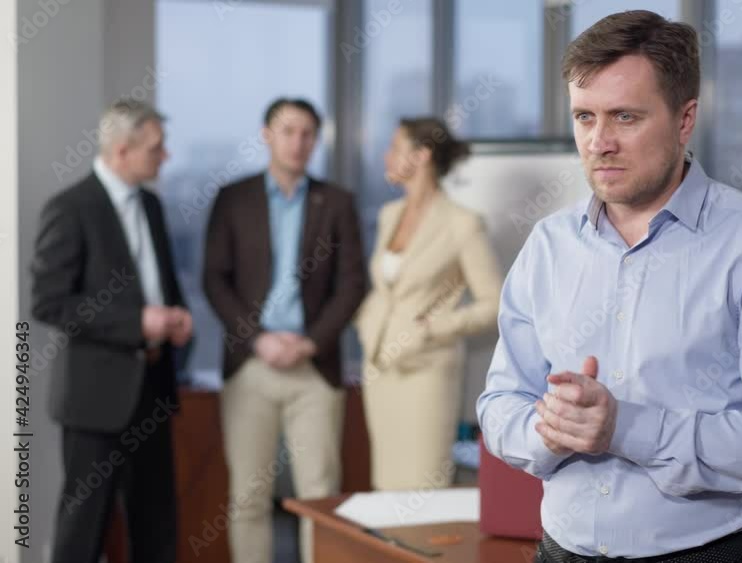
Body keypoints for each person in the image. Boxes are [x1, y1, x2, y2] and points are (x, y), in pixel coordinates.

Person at [477, 11, 742, 563]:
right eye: (584, 117)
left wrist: (624, 428)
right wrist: (550, 431)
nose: (599, 142)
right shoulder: (548, 244)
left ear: (685, 120)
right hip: (558, 553)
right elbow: (498, 403)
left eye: (625, 117)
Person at [202, 98, 365, 563]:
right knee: (248, 498)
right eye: (287, 131)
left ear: (316, 140)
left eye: (307, 133)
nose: (297, 143)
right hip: (251, 366)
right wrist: (258, 338)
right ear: (266, 134)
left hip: (314, 368)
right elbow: (215, 278)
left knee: (319, 494)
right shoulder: (233, 199)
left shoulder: (336, 202)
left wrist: (311, 341)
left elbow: (352, 283)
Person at [31, 98, 193, 563]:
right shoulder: (70, 208)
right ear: (122, 151)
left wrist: (176, 318)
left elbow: (161, 284)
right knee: (84, 528)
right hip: (95, 398)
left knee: (156, 523)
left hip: (153, 388)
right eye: (156, 148)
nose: (166, 157)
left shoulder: (153, 207)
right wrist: (136, 323)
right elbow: (49, 302)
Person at [355, 117, 502, 490]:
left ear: (421, 156)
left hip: (427, 372)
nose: (386, 156)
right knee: (385, 488)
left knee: (420, 490)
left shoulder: (462, 223)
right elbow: (385, 288)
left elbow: (494, 302)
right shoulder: (390, 215)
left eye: (395, 147)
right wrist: (366, 322)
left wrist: (433, 329)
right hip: (380, 368)